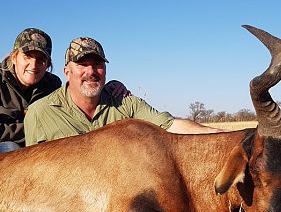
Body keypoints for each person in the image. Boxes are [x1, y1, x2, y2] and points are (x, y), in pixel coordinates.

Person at [24, 37, 222, 146]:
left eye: (98, 64)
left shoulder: (125, 102)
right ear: (67, 72)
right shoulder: (39, 113)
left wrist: (232, 137)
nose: (91, 72)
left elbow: (171, 126)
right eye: (83, 64)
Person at [0, 29, 130, 152]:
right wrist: (35, 126)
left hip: (37, 147)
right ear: (14, 57)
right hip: (9, 148)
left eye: (41, 59)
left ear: (48, 63)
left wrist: (110, 87)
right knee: (10, 148)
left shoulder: (52, 84)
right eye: (27, 56)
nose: (34, 65)